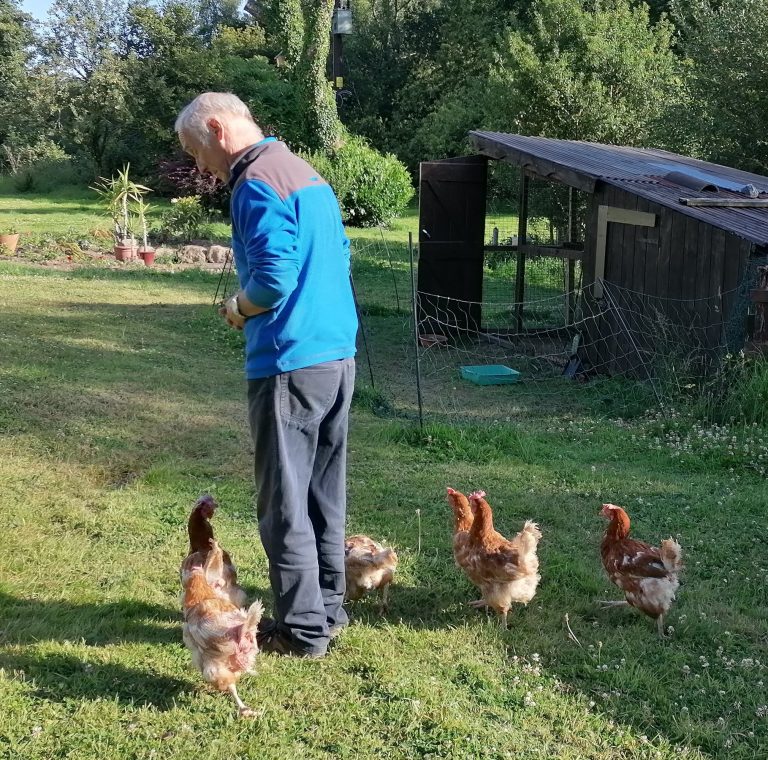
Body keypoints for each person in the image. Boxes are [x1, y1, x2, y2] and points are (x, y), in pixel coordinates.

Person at [174, 92, 358, 658]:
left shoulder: (256, 181)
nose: (202, 168)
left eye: (197, 153)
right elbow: (341, 254)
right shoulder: (305, 173)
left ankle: (302, 631)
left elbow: (274, 279)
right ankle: (328, 610)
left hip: (289, 359)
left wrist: (239, 308)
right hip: (337, 356)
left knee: (284, 504)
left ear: (216, 129)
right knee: (323, 494)